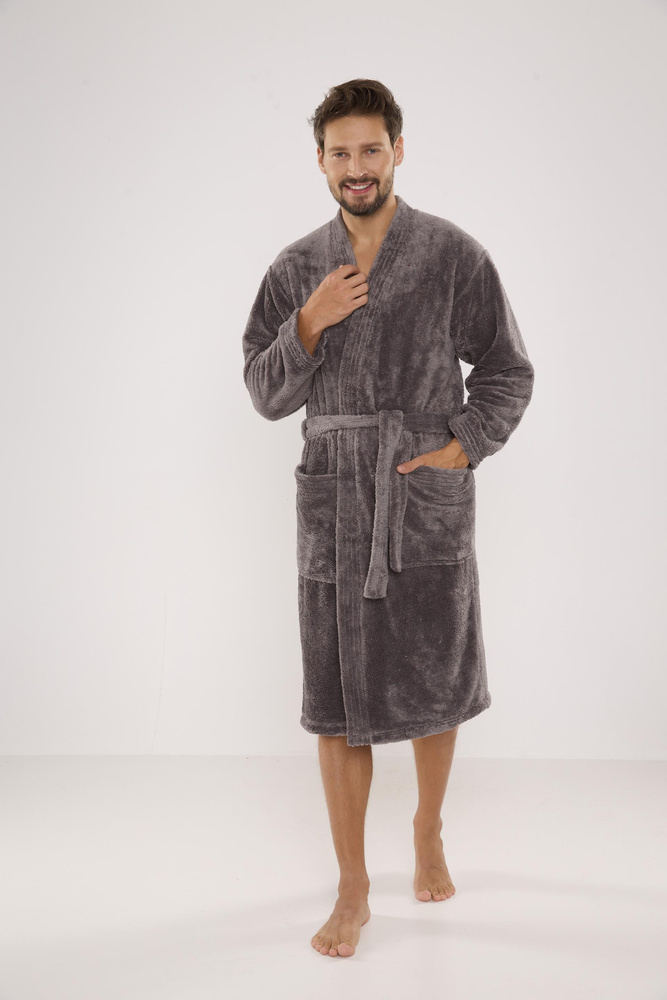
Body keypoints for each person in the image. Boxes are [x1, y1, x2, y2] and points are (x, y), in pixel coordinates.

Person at [242, 78, 535, 958]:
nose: (356, 166)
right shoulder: (296, 268)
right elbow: (263, 392)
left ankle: (428, 828)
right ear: (320, 161)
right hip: (335, 499)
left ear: (397, 150)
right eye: (340, 152)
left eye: (371, 148)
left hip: (420, 494)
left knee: (433, 677)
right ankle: (352, 886)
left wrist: (462, 446)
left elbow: (507, 370)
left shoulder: (451, 255)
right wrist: (307, 324)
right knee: (336, 700)